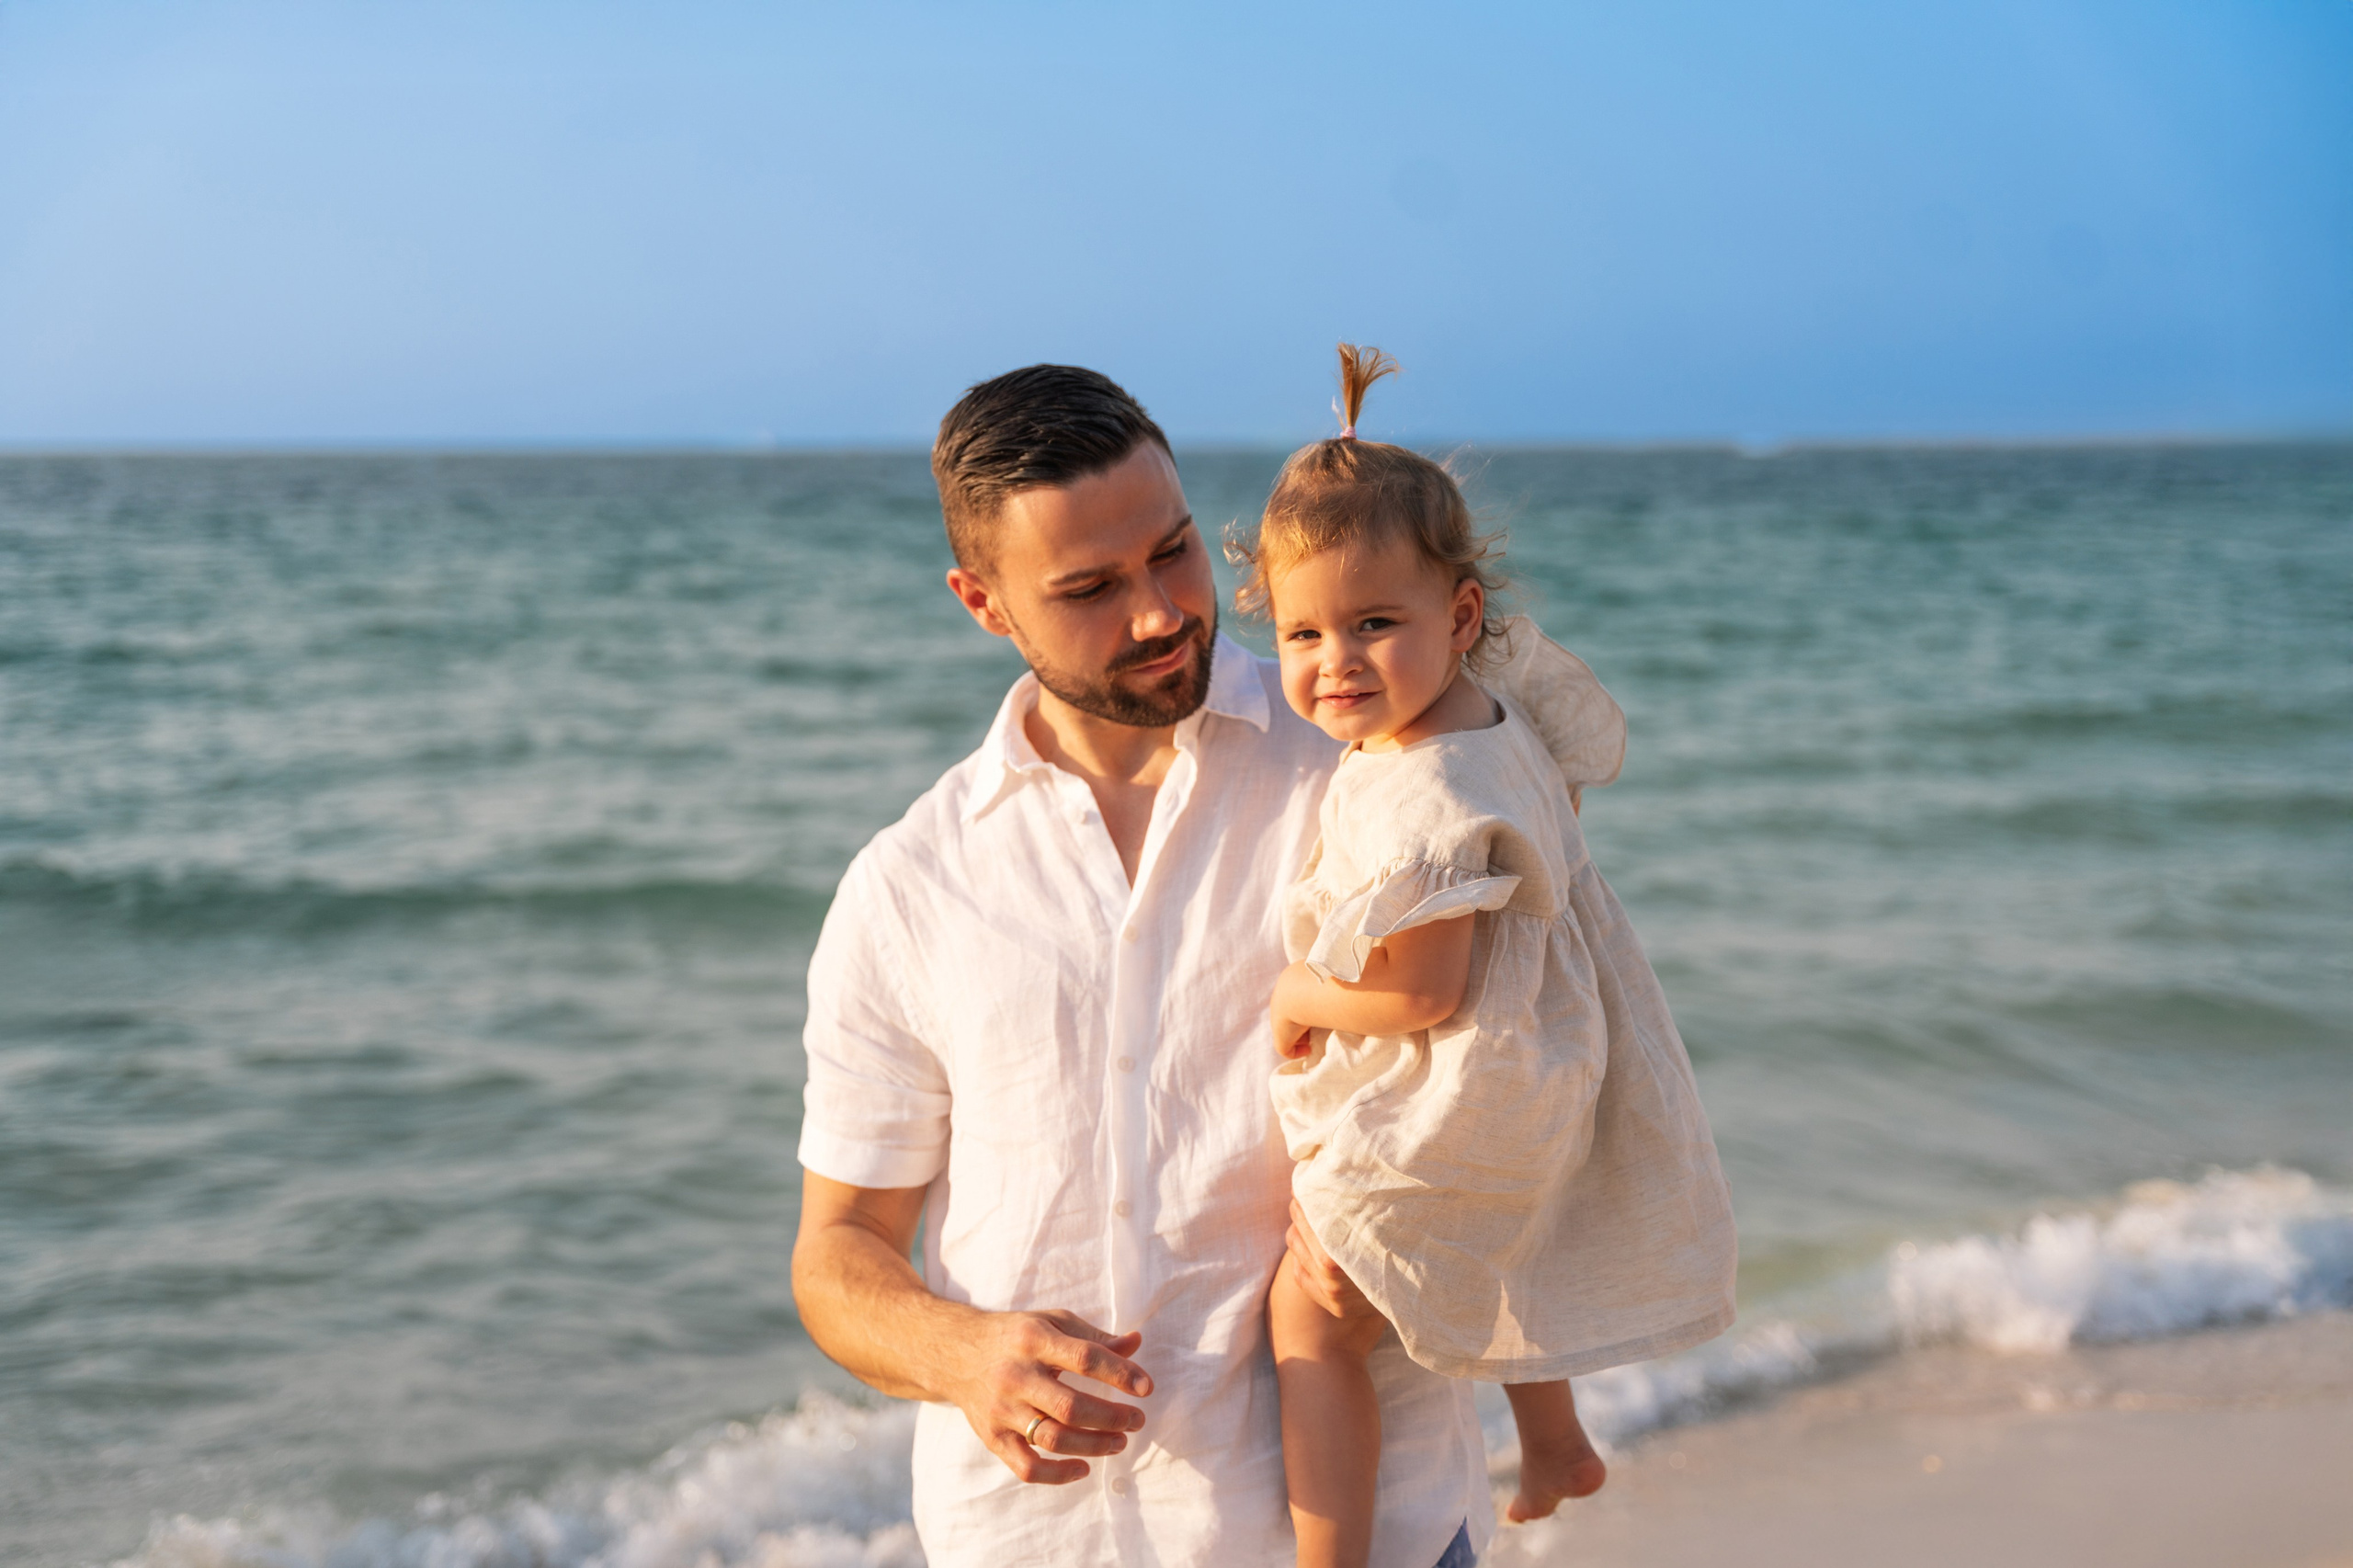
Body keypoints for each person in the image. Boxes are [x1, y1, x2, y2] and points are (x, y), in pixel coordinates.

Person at [790, 364, 1495, 1568]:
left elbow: (1539, 1047)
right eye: (1092, 588)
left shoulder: (1366, 769)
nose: (1164, 609)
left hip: (1376, 1534)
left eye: (1174, 551)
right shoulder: (910, 885)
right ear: (983, 601)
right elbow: (838, 1251)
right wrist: (963, 1353)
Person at [1238, 346, 1740, 1568]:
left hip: (1480, 1068)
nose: (1337, 663)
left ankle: (1330, 1559)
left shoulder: (1415, 787)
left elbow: (1422, 989)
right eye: (1302, 633)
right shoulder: (1491, 705)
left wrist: (1298, 989)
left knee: (1310, 1316)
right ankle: (1554, 1435)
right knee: (1513, 1232)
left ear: (1460, 616)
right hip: (1559, 1049)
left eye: (1374, 624)